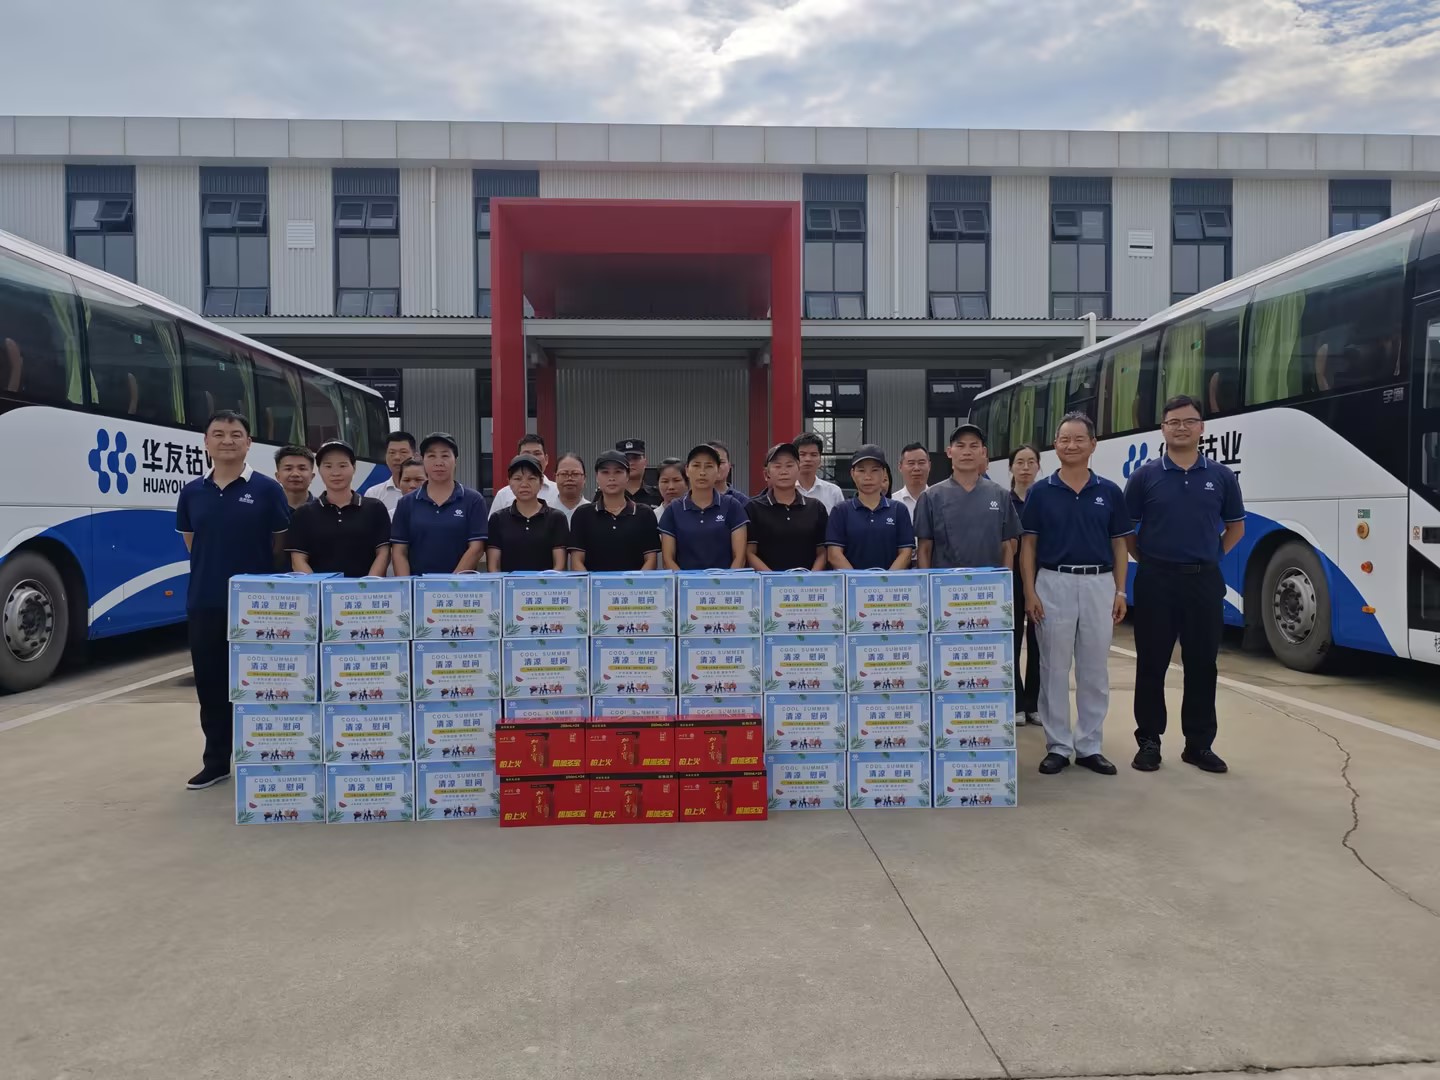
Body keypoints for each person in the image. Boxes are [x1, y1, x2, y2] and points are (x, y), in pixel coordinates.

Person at [1125, 394, 1245, 774]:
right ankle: (1149, 741)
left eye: (1189, 421)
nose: (1181, 428)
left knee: (1202, 664)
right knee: (1152, 663)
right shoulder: (1144, 477)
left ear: (1202, 428)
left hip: (1203, 582)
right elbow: (1127, 531)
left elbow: (1236, 527)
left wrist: (1212, 556)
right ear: (1162, 429)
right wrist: (1148, 559)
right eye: (1173, 422)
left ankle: (1199, 744)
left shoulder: (1221, 477)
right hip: (1155, 580)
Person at [176, 410, 290, 790]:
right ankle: (216, 761)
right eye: (219, 434)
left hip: (257, 607)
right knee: (211, 686)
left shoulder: (267, 490)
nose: (227, 440)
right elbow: (192, 543)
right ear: (205, 442)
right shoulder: (192, 492)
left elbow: (279, 546)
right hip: (206, 601)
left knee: (262, 686)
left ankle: (265, 757)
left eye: (236, 434)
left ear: (249, 443)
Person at [1020, 412, 1132, 777]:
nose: (1071, 445)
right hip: (1054, 582)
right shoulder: (1040, 492)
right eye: (1064, 439)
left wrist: (1120, 590)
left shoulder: (1109, 491)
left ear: (1093, 444)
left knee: (1094, 668)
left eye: (1079, 439)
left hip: (1099, 583)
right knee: (1053, 667)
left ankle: (1089, 745)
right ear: (1055, 445)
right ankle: (1058, 745)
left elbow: (1119, 545)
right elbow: (1028, 546)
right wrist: (1030, 591)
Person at [915, 424, 1020, 570]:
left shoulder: (1000, 495)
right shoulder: (931, 497)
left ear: (983, 452)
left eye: (973, 446)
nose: (967, 452)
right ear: (949, 452)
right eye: (960, 446)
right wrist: (927, 581)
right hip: (945, 581)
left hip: (990, 582)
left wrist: (1005, 581)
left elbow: (1007, 547)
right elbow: (924, 549)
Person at [286, 440, 392, 578]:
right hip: (320, 589)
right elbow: (298, 559)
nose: (335, 473)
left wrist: (366, 585)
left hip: (366, 589)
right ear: (319, 470)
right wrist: (319, 586)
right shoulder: (304, 513)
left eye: (342, 465)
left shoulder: (375, 508)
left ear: (354, 467)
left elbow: (383, 552)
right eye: (328, 466)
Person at [390, 432, 488, 576]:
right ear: (423, 460)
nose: (439, 462)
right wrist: (407, 585)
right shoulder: (406, 503)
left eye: (445, 455)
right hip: (418, 585)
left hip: (460, 585)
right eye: (431, 456)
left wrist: (451, 583)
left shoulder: (473, 500)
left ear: (456, 460)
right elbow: (399, 551)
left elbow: (476, 548)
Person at [658, 444, 749, 570]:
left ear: (718, 471)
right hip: (684, 581)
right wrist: (685, 581)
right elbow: (668, 560)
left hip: (725, 580)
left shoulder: (732, 506)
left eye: (709, 466)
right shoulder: (673, 509)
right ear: (687, 470)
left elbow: (739, 557)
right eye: (696, 465)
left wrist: (726, 580)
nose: (702, 472)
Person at [569, 450, 662, 572]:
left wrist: (634, 582)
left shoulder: (645, 514)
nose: (611, 478)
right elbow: (576, 561)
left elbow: (651, 560)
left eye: (618, 472)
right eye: (605, 472)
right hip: (594, 583)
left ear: (627, 476)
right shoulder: (582, 515)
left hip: (635, 584)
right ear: (597, 477)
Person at [825, 445, 914, 571]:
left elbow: (906, 553)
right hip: (851, 582)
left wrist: (885, 579)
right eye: (861, 470)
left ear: (884, 473)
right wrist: (858, 580)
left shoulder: (898, 510)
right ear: (852, 474)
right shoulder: (840, 511)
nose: (868, 477)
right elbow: (834, 555)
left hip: (890, 582)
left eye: (874, 470)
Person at [746, 442, 829, 571]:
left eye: (789, 465)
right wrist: (774, 578)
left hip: (808, 580)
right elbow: (749, 552)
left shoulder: (816, 507)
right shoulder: (753, 508)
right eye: (777, 466)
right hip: (767, 580)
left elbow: (822, 551)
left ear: (799, 470)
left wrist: (811, 577)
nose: (784, 471)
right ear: (767, 474)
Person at [486, 454, 570, 572]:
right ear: (509, 482)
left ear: (541, 482)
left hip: (547, 583)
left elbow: (560, 566)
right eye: (517, 479)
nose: (524, 484)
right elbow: (493, 567)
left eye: (531, 478)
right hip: (509, 583)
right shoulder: (497, 519)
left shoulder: (557, 518)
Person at [1009, 444, 1043, 725]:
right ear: (1011, 467)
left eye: (1031, 462)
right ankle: (1017, 702)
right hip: (1011, 577)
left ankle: (1034, 703)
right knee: (1011, 640)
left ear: (1038, 466)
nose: (1025, 467)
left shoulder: (1045, 497)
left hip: (1041, 576)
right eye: (1020, 462)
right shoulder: (1003, 500)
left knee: (1038, 641)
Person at [489, 433, 560, 513]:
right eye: (526, 454)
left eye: (537, 453)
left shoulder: (558, 491)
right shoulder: (503, 495)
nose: (532, 458)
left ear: (546, 459)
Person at [362, 431, 417, 517]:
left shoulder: (426, 491)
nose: (397, 457)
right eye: (392, 452)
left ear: (415, 456)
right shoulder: (373, 494)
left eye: (403, 452)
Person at [794, 431, 845, 511]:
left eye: (813, 455)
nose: (808, 459)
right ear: (794, 458)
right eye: (802, 454)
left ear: (820, 460)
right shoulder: (785, 490)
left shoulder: (833, 492)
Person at [616, 439, 662, 507]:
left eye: (635, 458)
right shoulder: (608, 496)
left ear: (645, 462)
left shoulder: (659, 495)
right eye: (626, 459)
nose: (631, 463)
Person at [274, 445, 316, 514]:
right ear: (278, 476)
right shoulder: (267, 507)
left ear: (312, 476)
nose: (295, 474)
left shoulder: (324, 510)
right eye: (288, 469)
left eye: (302, 469)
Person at [893, 442, 932, 517]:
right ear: (900, 467)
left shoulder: (939, 501)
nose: (916, 468)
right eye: (911, 463)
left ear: (929, 466)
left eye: (921, 463)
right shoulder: (893, 502)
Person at [553, 452, 590, 523]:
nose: (569, 478)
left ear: (584, 478)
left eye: (575, 474)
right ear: (555, 477)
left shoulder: (594, 513)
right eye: (564, 474)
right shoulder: (544, 512)